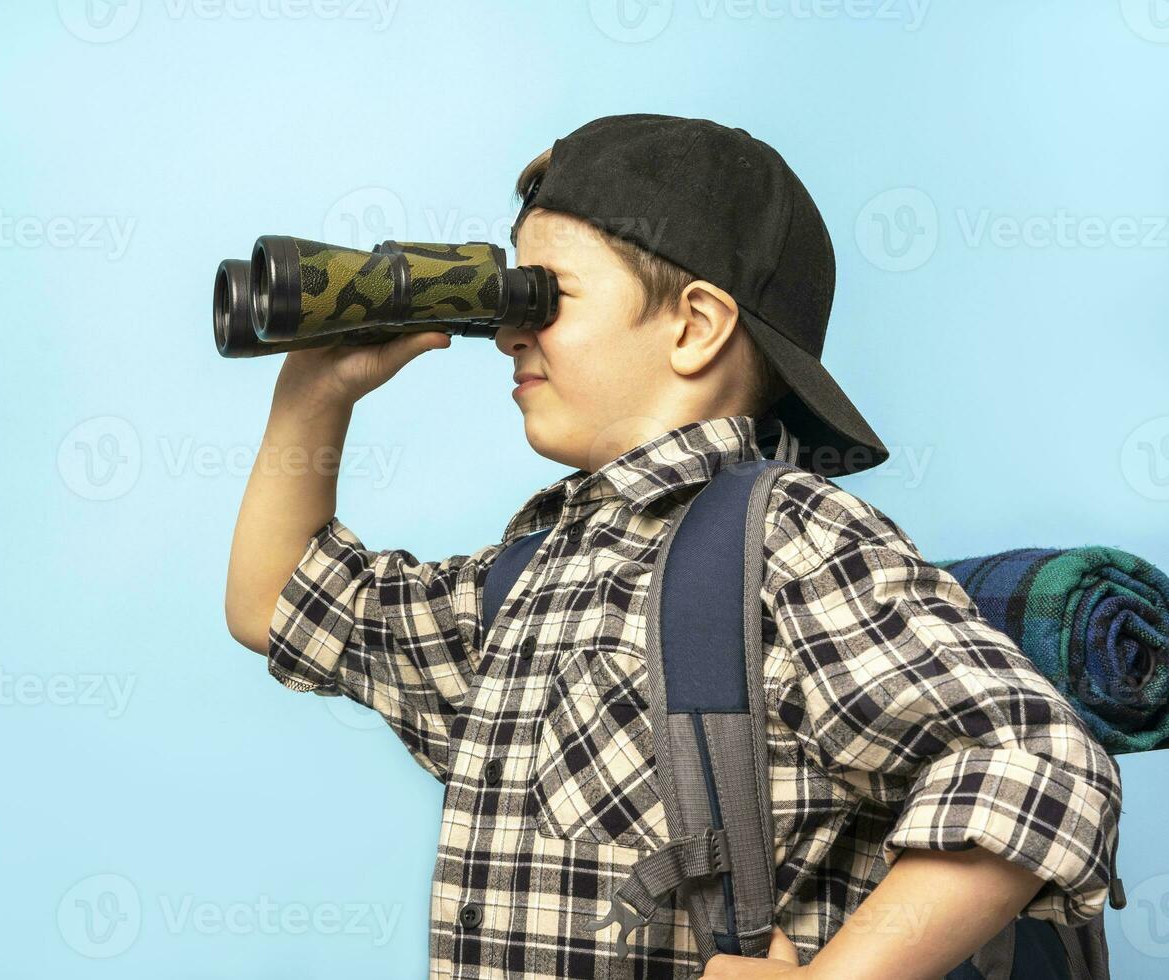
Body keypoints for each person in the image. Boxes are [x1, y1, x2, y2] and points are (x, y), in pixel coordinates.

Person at [224, 114, 1122, 979]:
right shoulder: (528, 579)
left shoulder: (789, 537)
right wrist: (317, 393)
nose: (506, 330)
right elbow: (278, 603)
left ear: (694, 326)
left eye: (546, 296)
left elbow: (1035, 765)